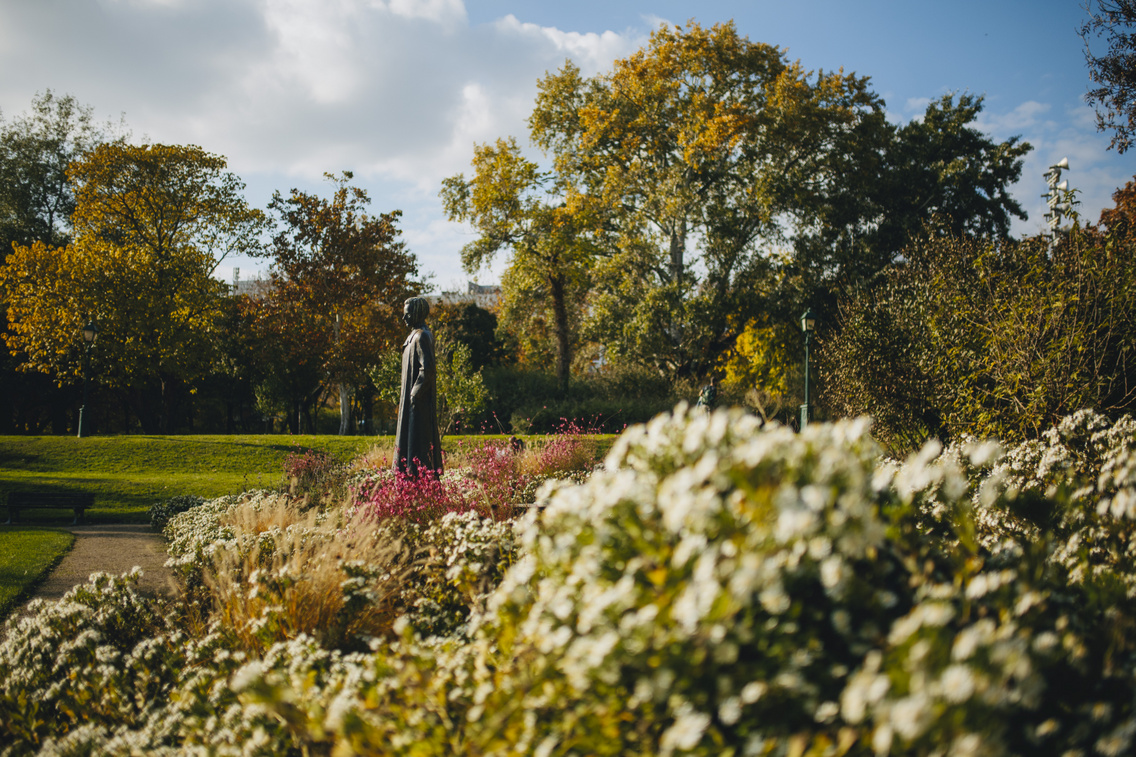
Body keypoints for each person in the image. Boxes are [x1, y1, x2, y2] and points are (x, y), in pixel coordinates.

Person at [395, 297, 443, 477]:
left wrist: (415, 394)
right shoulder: (413, 336)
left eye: (407, 314)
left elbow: (428, 368)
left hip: (418, 404)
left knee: (418, 445)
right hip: (410, 403)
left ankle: (419, 481)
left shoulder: (422, 336)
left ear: (417, 313)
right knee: (408, 443)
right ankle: (408, 480)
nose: (404, 318)